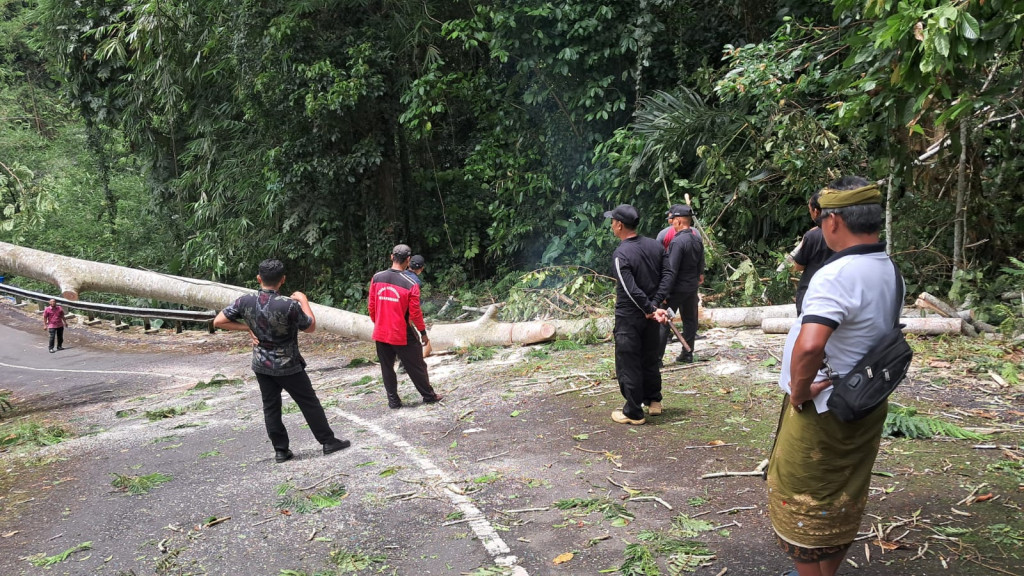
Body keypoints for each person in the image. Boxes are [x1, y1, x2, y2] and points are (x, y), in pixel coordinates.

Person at [767, 176, 903, 576]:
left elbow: (811, 345)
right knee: (843, 493)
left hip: (825, 408)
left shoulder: (836, 274)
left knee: (803, 493)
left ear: (833, 222)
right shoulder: (888, 269)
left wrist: (799, 389)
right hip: (865, 401)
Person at [214, 259, 350, 463]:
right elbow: (310, 326)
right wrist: (304, 300)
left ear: (259, 278)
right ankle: (328, 441)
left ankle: (280, 450)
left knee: (271, 407)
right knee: (308, 402)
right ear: (283, 280)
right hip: (288, 364)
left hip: (261, 364)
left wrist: (247, 328)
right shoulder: (289, 305)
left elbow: (219, 321)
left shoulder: (244, 300)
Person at [606, 204, 667, 425]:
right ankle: (654, 401)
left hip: (630, 318)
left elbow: (629, 289)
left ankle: (633, 412)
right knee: (649, 357)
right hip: (652, 315)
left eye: (612, 221)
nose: (611, 225)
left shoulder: (621, 254)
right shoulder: (655, 246)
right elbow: (668, 275)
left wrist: (650, 309)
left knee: (628, 362)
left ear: (619, 225)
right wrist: (656, 305)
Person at [368, 244, 442, 409]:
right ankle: (428, 396)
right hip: (401, 331)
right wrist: (423, 333)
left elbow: (371, 307)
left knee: (387, 367)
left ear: (391, 257)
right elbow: (415, 314)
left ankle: (393, 401)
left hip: (381, 331)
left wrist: (379, 322)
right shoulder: (410, 283)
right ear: (408, 260)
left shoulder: (377, 277)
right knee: (417, 365)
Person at [654, 204, 705, 363]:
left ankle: (656, 359)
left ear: (679, 221)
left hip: (676, 291)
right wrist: (697, 278)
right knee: (690, 320)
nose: (672, 223)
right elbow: (701, 264)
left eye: (673, 220)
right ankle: (687, 354)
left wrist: (663, 293)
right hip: (691, 288)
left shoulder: (677, 242)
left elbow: (672, 270)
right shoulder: (696, 238)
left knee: (664, 321)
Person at [787, 191, 834, 315]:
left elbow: (798, 266)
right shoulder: (846, 234)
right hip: (835, 292)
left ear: (816, 211)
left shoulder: (812, 236)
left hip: (811, 293)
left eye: (810, 210)